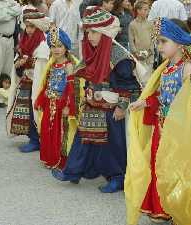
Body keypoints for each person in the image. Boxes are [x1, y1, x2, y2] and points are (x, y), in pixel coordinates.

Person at [125, 18, 191, 225]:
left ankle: (180, 207)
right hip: (161, 129)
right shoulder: (165, 69)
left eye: (163, 42)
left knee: (178, 170)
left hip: (179, 134)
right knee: (160, 167)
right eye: (158, 42)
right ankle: (164, 208)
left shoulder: (187, 68)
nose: (159, 46)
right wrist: (144, 102)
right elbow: (162, 96)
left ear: (179, 44)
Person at [52, 7, 141, 193]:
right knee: (83, 139)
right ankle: (73, 171)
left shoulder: (119, 57)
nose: (89, 36)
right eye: (87, 32)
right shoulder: (93, 53)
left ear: (104, 33)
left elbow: (131, 86)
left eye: (93, 32)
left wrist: (122, 106)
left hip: (111, 109)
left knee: (111, 144)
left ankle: (117, 177)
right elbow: (85, 73)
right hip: (92, 104)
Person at [6, 9, 50, 152]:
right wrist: (19, 63)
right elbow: (20, 56)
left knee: (35, 110)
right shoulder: (23, 38)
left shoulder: (43, 43)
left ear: (38, 26)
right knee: (26, 110)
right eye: (27, 26)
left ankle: (37, 140)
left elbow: (42, 66)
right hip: (26, 81)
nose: (29, 29)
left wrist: (26, 62)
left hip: (38, 83)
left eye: (32, 26)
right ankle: (32, 138)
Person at [34, 27, 78, 169]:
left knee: (60, 132)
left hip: (61, 104)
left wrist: (68, 105)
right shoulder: (51, 64)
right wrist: (41, 99)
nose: (56, 49)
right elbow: (46, 83)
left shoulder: (70, 65)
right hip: (49, 103)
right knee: (47, 129)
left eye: (59, 46)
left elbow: (72, 89)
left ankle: (60, 159)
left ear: (66, 47)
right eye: (53, 46)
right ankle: (49, 157)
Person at [128, 0, 154, 85]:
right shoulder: (132, 24)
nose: (147, 11)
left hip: (149, 56)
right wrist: (136, 53)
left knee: (148, 79)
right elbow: (131, 41)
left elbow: (153, 39)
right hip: (138, 56)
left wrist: (150, 51)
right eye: (145, 9)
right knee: (140, 79)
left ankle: (147, 96)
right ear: (138, 11)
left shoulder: (150, 24)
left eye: (148, 9)